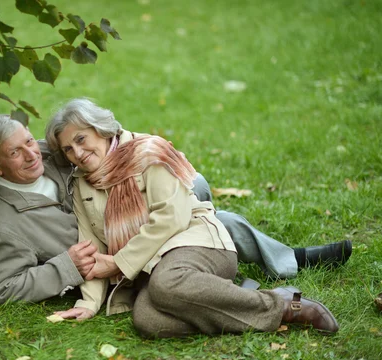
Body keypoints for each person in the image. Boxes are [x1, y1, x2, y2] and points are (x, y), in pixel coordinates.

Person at [0, 114, 351, 306]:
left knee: (193, 197)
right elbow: (3, 288)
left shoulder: (53, 151)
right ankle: (259, 283)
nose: (31, 154)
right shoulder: (2, 225)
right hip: (108, 263)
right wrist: (66, 265)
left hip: (126, 219)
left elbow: (99, 144)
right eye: (16, 153)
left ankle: (288, 258)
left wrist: (151, 165)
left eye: (28, 141)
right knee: (192, 222)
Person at [44, 98, 339, 336]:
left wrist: (119, 263)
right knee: (148, 320)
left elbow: (171, 218)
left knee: (166, 284)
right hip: (153, 265)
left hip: (198, 242)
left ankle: (288, 306)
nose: (78, 153)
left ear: (102, 128)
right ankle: (229, 296)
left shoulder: (147, 152)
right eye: (69, 149)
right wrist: (89, 303)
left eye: (81, 139)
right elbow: (92, 249)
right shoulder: (82, 184)